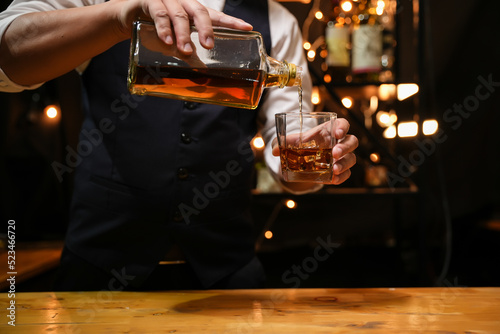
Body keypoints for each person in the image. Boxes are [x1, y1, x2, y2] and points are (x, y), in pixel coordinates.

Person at [0, 0, 358, 291]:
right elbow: (9, 54)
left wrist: (312, 161)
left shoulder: (275, 20)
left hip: (225, 278)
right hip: (100, 269)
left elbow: (289, 162)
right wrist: (117, 18)